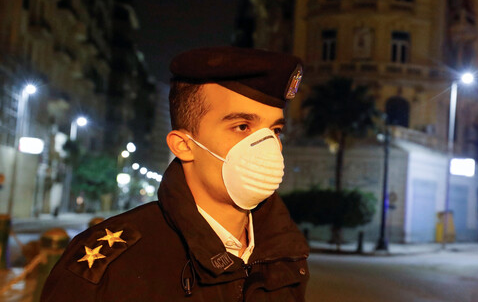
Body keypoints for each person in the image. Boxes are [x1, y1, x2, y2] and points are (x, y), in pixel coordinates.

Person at [42, 46, 309, 301]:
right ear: (183, 145)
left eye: (275, 131)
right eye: (242, 126)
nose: (268, 146)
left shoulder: (285, 253)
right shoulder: (111, 267)